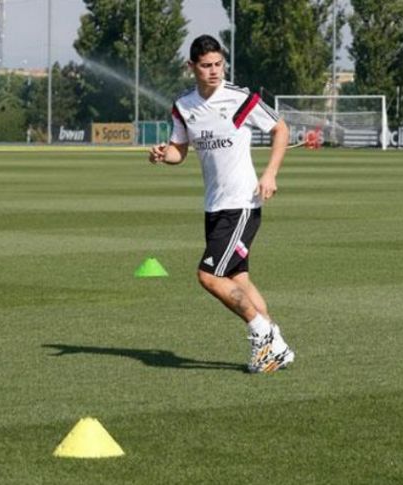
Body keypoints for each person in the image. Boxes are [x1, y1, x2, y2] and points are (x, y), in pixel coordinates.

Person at [148, 34, 294, 374]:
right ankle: (278, 347)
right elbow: (178, 151)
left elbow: (281, 129)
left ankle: (261, 334)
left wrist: (270, 174)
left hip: (242, 202)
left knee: (209, 276)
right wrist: (160, 155)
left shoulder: (240, 99)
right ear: (191, 67)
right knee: (238, 279)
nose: (214, 71)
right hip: (214, 205)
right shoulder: (184, 106)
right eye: (206, 66)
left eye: (218, 64)